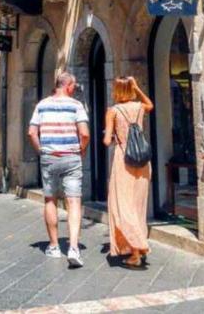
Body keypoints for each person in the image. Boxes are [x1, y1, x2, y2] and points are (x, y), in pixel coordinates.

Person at [28, 72, 90, 268]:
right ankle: (73, 247)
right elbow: (85, 134)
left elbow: (31, 132)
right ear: (69, 85)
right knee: (74, 202)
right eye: (74, 85)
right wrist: (81, 151)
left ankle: (54, 246)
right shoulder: (76, 105)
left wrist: (41, 151)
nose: (74, 88)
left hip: (49, 157)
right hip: (71, 156)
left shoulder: (42, 105)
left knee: (50, 199)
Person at [103, 76, 154, 268]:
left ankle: (137, 247)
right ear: (130, 89)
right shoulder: (140, 108)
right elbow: (150, 104)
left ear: (116, 90)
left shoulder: (113, 111)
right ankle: (136, 249)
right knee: (138, 206)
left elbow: (107, 141)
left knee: (121, 205)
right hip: (142, 162)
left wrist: (113, 136)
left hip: (123, 161)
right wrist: (138, 87)